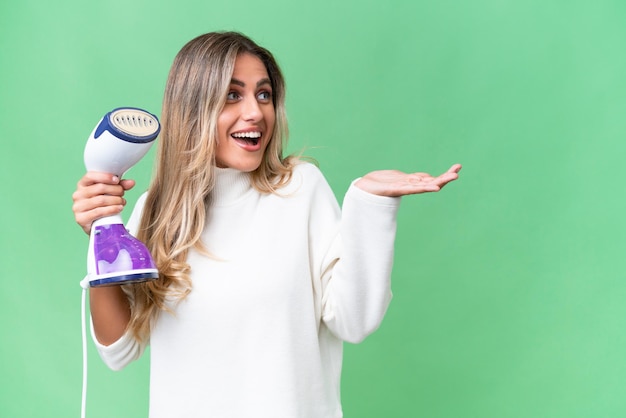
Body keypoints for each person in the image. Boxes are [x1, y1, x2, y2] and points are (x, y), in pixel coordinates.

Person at [72, 31, 461, 418]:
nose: (256, 113)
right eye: (232, 95)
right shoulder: (155, 212)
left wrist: (369, 205)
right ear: (192, 109)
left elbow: (355, 321)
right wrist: (101, 236)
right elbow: (119, 350)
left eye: (264, 94)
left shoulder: (300, 190)